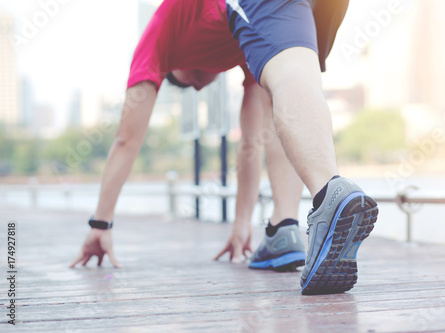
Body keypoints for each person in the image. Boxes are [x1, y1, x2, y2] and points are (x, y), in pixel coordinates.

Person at [70, 0, 379, 295]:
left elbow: (126, 140)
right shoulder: (243, 34)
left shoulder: (158, 36)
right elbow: (250, 140)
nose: (198, 85)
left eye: (187, 83)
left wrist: (101, 223)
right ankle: (283, 227)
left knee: (288, 77)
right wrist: (243, 223)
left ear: (173, 73)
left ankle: (329, 193)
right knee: (286, 83)